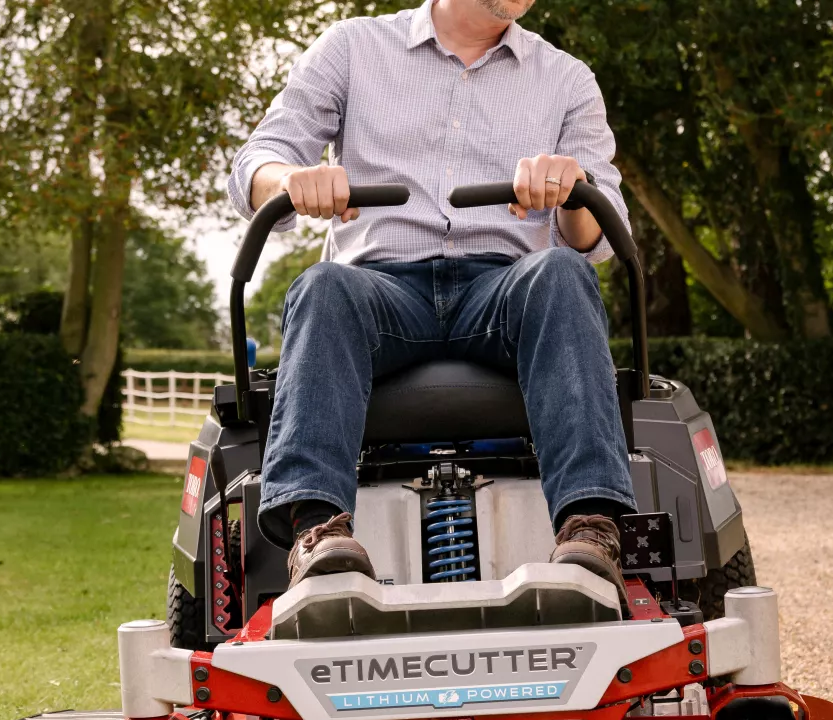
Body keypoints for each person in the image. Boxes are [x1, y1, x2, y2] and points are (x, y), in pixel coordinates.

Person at [229, 0, 635, 588]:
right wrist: (289, 179)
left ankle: (589, 529)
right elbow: (258, 161)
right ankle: (319, 532)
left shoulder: (567, 78)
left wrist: (573, 191)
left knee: (563, 275)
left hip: (505, 289)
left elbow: (597, 234)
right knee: (323, 287)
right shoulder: (350, 47)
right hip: (380, 288)